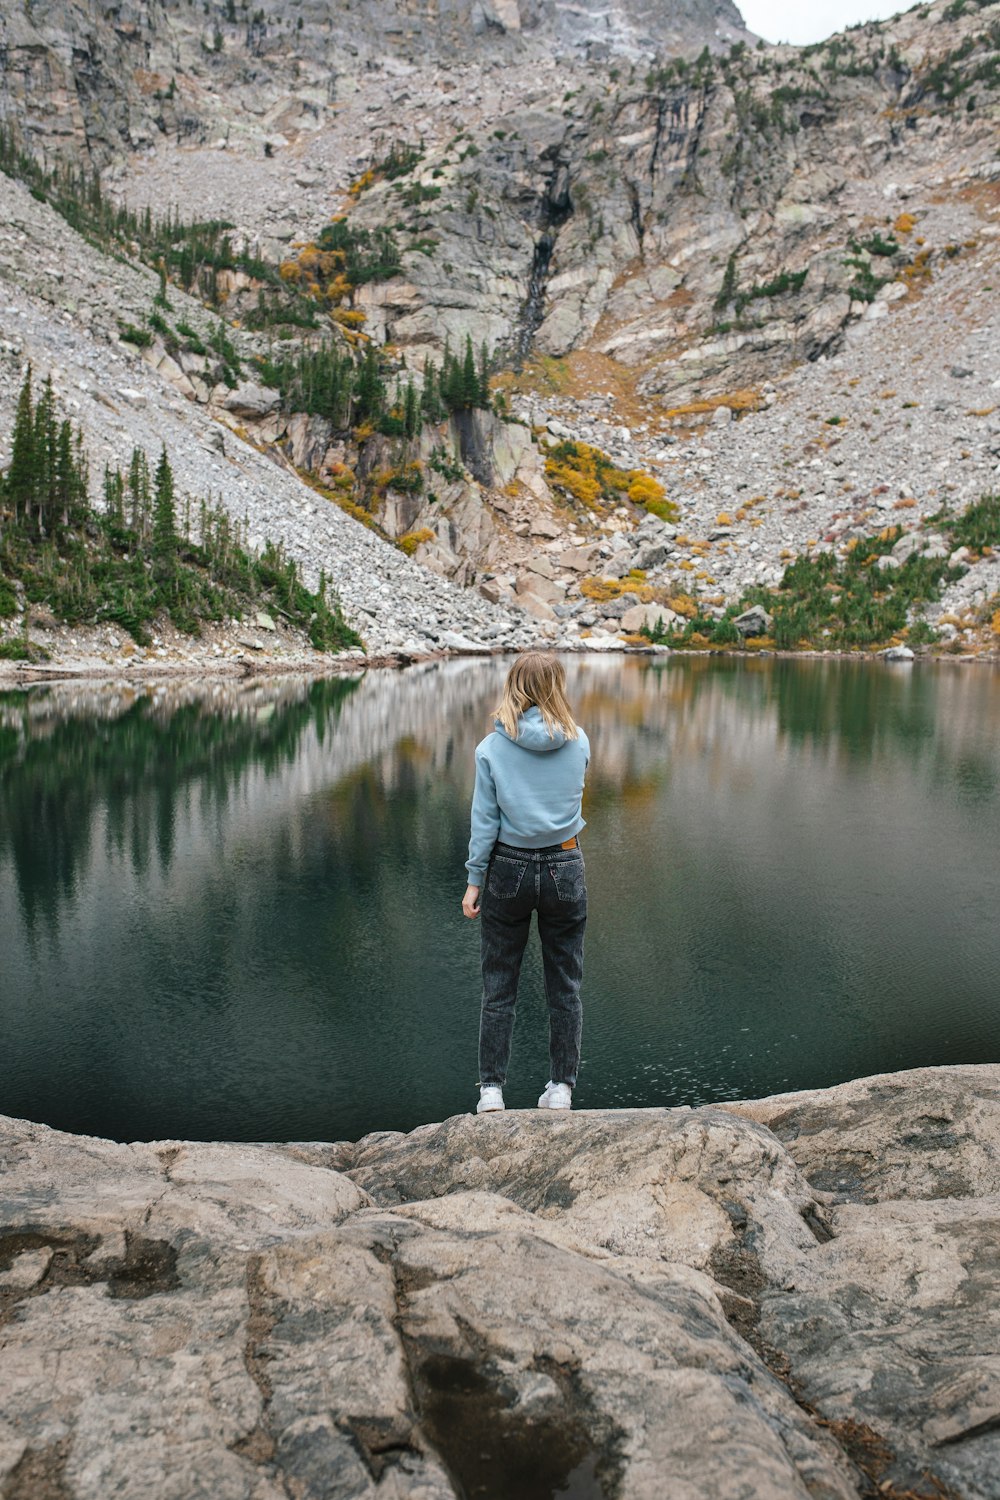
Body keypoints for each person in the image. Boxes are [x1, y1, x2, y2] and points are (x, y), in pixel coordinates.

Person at [462, 652, 590, 1114]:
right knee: (565, 985)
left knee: (499, 986)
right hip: (565, 864)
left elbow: (485, 822)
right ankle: (561, 1089)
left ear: (513, 686)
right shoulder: (579, 742)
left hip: (508, 869)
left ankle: (492, 1090)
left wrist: (475, 880)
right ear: (557, 686)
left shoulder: (490, 749)